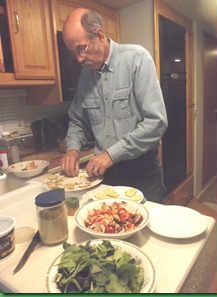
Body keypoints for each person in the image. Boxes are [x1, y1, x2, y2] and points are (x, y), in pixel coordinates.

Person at [61, 8, 168, 203]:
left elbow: (156, 122)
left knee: (147, 229)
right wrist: (73, 149)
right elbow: (78, 121)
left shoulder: (137, 59)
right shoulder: (85, 76)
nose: (78, 59)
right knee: (108, 228)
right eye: (72, 53)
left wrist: (112, 154)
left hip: (142, 171)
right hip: (105, 174)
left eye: (81, 49)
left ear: (99, 35)